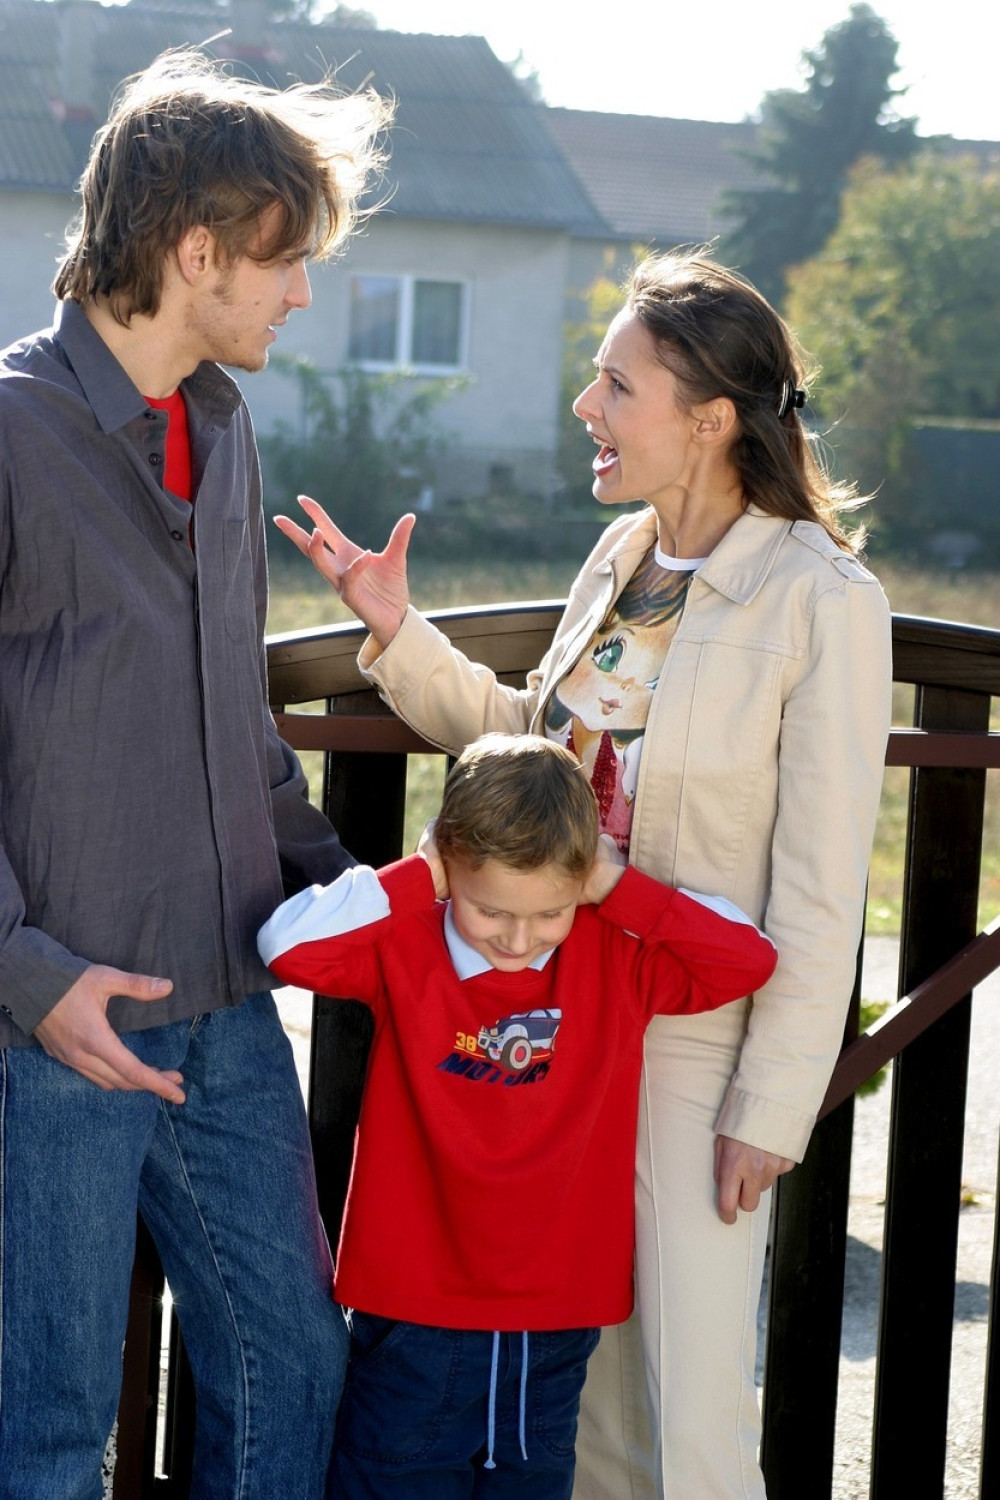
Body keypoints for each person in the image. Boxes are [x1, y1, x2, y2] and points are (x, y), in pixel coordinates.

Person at [273, 249, 894, 1498]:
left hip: (691, 1059)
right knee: (593, 1421)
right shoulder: (620, 557)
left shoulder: (824, 599)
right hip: (562, 1045)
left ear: (709, 419)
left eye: (615, 383)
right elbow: (540, 760)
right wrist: (397, 634)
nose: (585, 408)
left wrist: (770, 1109)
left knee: (687, 1411)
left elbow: (826, 887)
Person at [0, 49, 389, 1500]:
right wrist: (31, 982)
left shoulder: (221, 432)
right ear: (196, 247)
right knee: (42, 1435)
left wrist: (343, 888)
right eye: (288, 262)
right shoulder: (9, 433)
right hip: (47, 1032)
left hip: (227, 1017)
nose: (301, 295)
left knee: (293, 1366)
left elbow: (231, 716)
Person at [257, 733, 778, 1498]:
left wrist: (615, 885)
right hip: (415, 1311)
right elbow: (285, 945)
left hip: (556, 1317)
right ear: (451, 867)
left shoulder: (617, 956)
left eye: (550, 913)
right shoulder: (403, 944)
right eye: (490, 908)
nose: (517, 937)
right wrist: (425, 871)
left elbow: (747, 959)